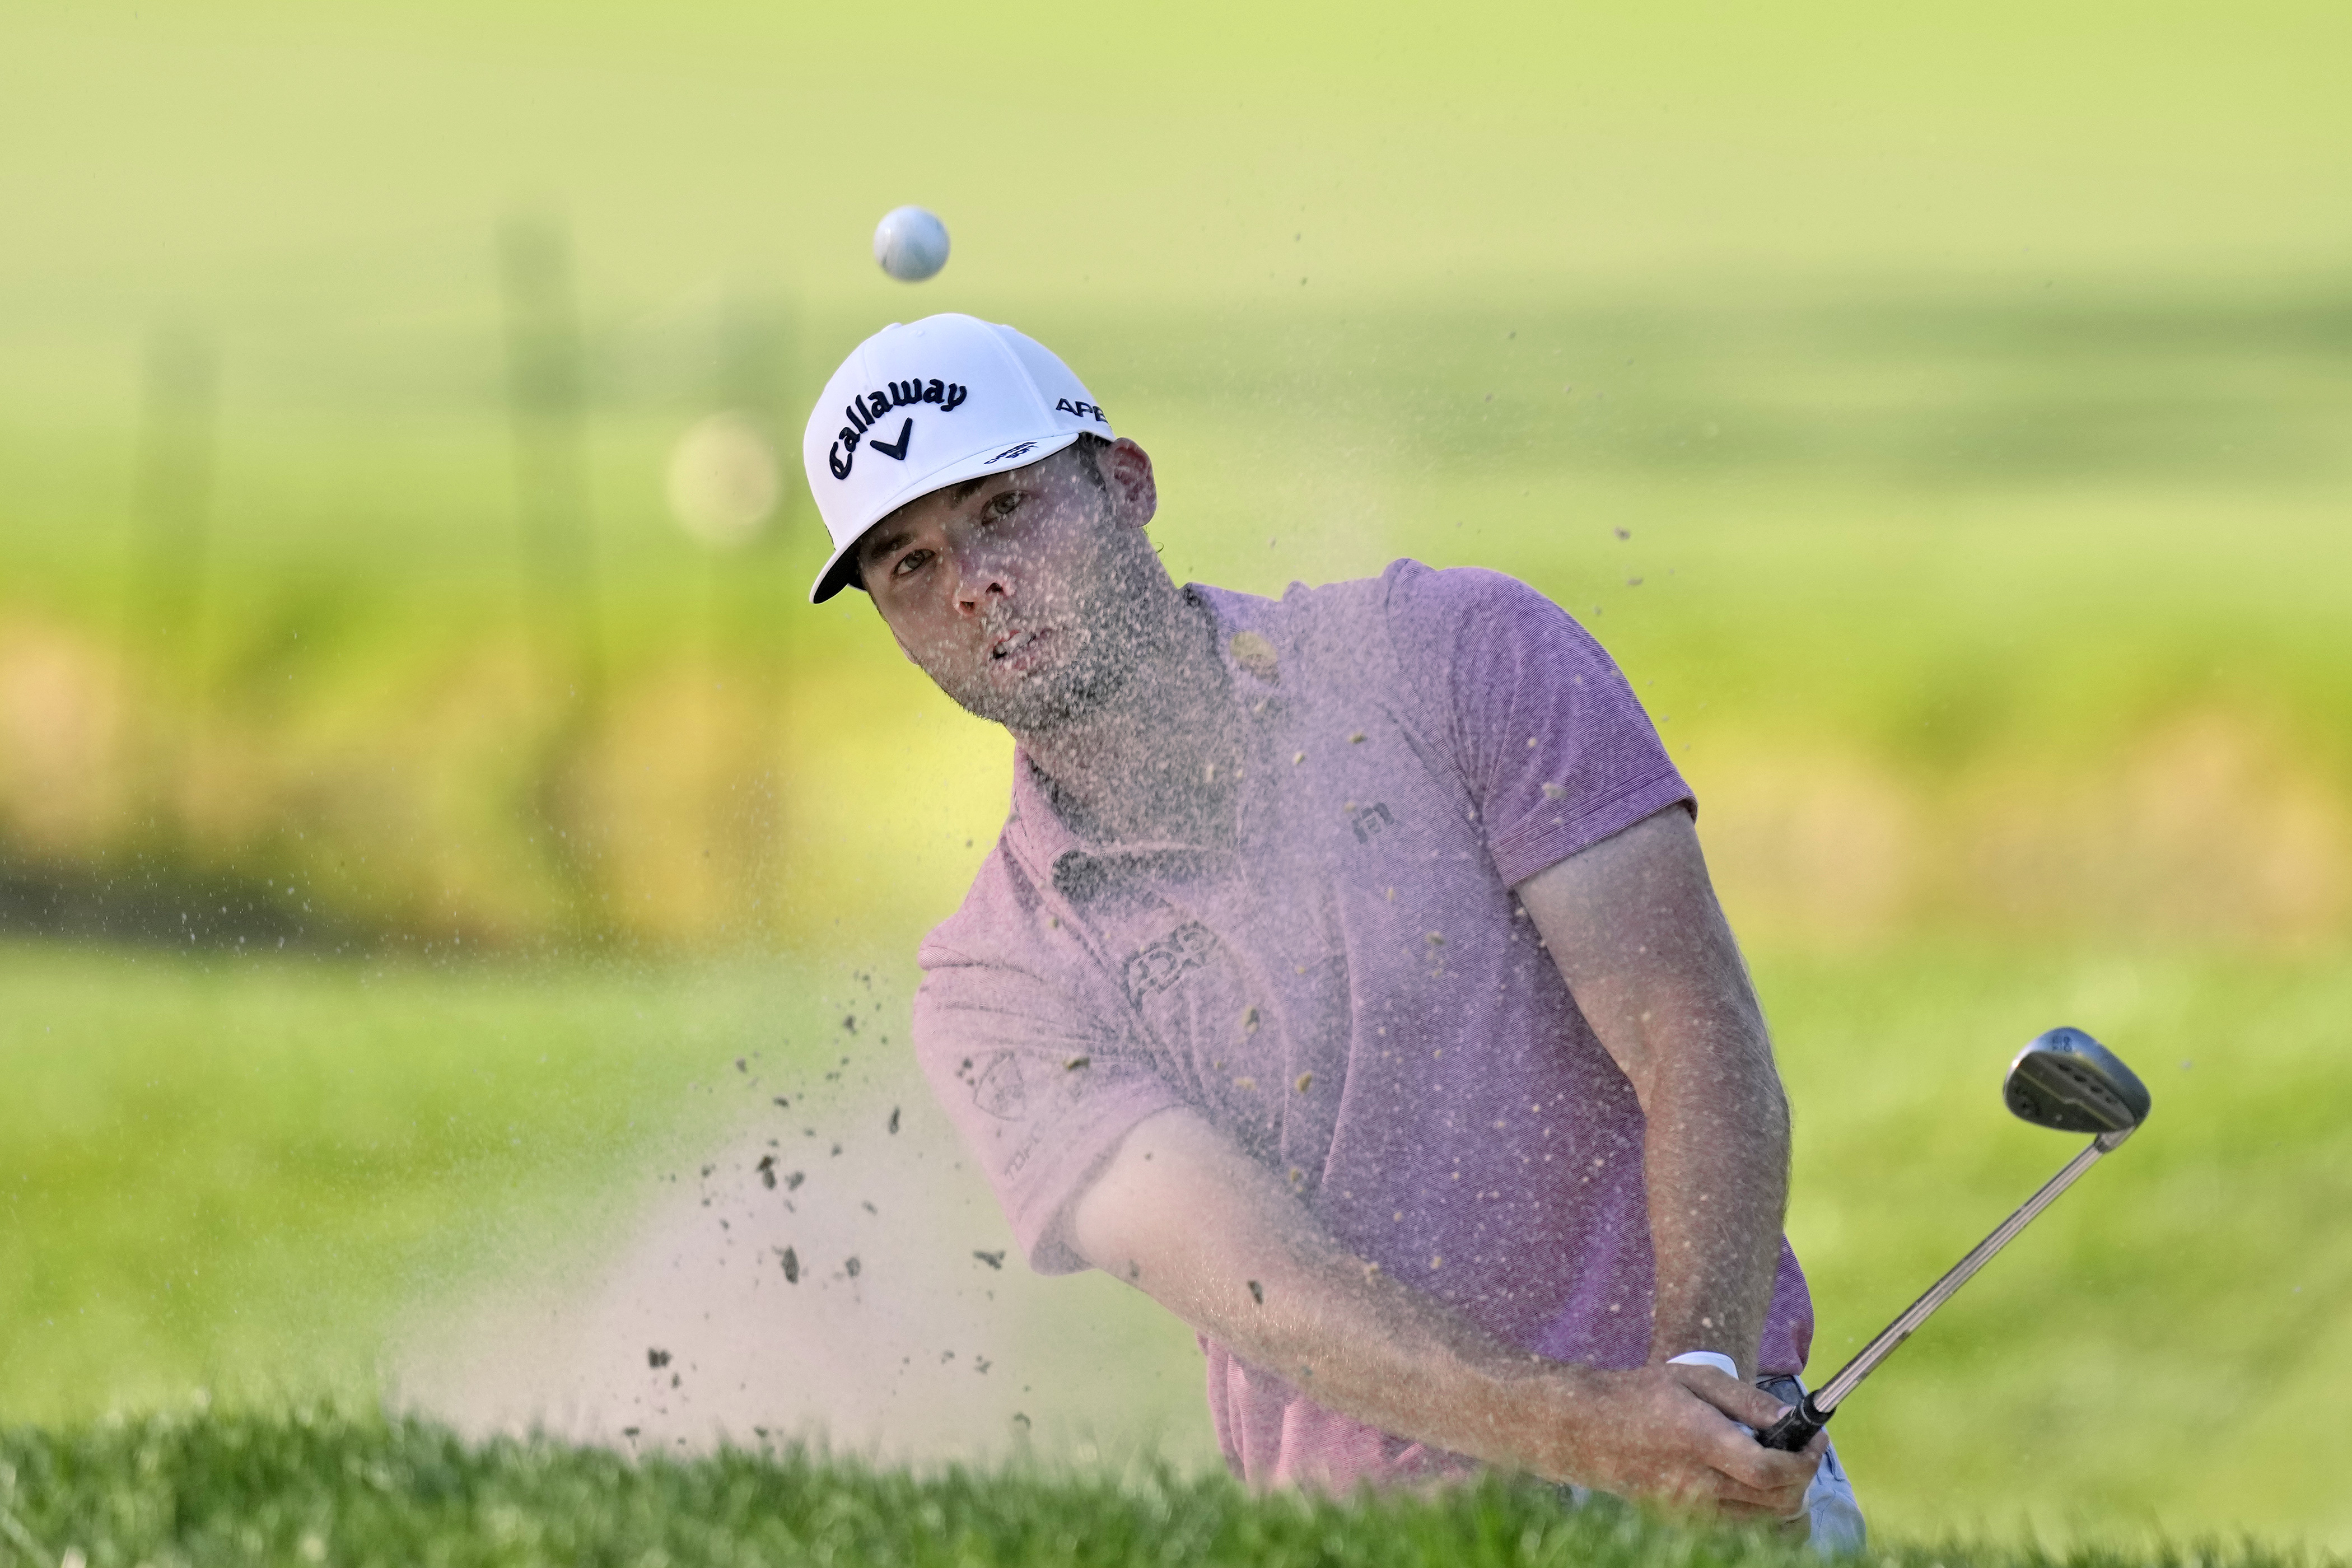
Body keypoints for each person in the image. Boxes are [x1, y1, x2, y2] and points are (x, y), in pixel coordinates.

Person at [800, 313, 1863, 1546]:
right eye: (909, 563)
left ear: (1127, 485)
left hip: (1718, 1476)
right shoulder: (997, 984)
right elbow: (1268, 1288)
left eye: (1005, 509)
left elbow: (1690, 1029)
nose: (975, 583)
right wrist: (1602, 1436)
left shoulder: (1458, 654)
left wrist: (1702, 1399)